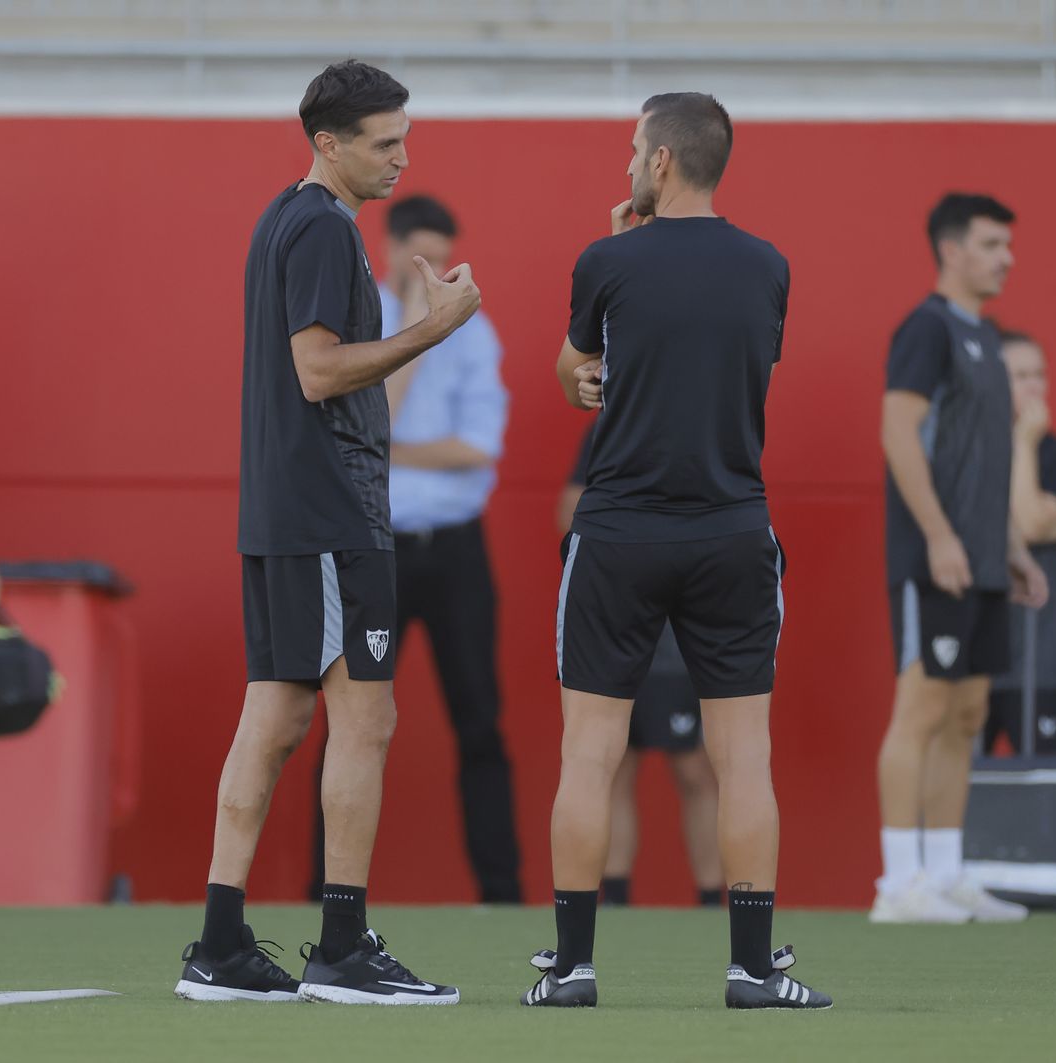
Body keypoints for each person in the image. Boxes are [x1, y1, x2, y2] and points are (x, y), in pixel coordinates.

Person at [174, 60, 480, 1006]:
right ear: (328, 143)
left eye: (404, 138)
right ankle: (342, 948)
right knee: (365, 720)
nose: (401, 158)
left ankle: (220, 945)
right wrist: (435, 329)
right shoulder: (320, 229)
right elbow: (317, 372)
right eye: (384, 143)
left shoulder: (286, 218)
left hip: (288, 516)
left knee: (274, 718)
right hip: (330, 519)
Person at [522, 92, 830, 1011]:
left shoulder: (606, 258)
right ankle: (752, 970)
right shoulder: (769, 266)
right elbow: (729, 369)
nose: (625, 164)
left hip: (618, 533)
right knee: (744, 760)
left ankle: (572, 968)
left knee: (589, 754)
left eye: (631, 151)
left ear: (660, 162)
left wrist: (618, 248)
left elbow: (574, 371)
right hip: (732, 529)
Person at [308, 194, 521, 905]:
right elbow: (366, 419)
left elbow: (477, 449)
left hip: (457, 550)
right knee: (348, 719)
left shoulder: (475, 330)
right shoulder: (357, 315)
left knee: (481, 722)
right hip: (376, 546)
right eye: (418, 253)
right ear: (391, 248)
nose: (431, 269)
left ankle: (502, 893)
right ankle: (325, 891)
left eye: (443, 256)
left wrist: (394, 445)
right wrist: (415, 334)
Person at [872, 195, 1049, 925]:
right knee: (920, 708)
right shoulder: (927, 329)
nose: (1006, 256)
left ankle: (945, 875)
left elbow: (985, 457)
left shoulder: (988, 341)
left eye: (1008, 243)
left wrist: (1009, 548)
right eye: (991, 243)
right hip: (932, 557)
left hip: (981, 561)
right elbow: (897, 433)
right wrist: (941, 536)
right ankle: (898, 885)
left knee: (967, 711)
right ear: (952, 251)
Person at [560, 424, 723, 909]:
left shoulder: (705, 422)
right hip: (619, 611)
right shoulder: (609, 425)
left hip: (681, 628)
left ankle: (714, 902)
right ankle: (613, 899)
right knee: (614, 763)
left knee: (694, 766)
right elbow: (568, 511)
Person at [985, 331, 1056, 755]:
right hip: (975, 655)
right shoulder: (969, 451)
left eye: (1039, 374)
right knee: (961, 791)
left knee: (1046, 786)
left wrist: (1023, 443)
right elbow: (1034, 522)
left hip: (1043, 659)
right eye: (1019, 374)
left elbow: (1024, 525)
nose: (1033, 385)